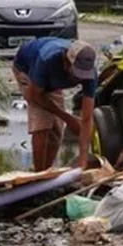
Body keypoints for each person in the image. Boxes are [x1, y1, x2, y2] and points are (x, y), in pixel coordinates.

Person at [12, 38, 98, 171]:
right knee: (42, 123)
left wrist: (83, 161)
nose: (80, 78)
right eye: (77, 73)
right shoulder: (47, 59)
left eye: (83, 74)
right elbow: (34, 95)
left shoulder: (90, 74)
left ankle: (47, 172)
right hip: (27, 71)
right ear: (66, 62)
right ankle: (39, 176)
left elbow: (87, 118)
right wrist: (68, 118)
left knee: (56, 131)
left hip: (53, 83)